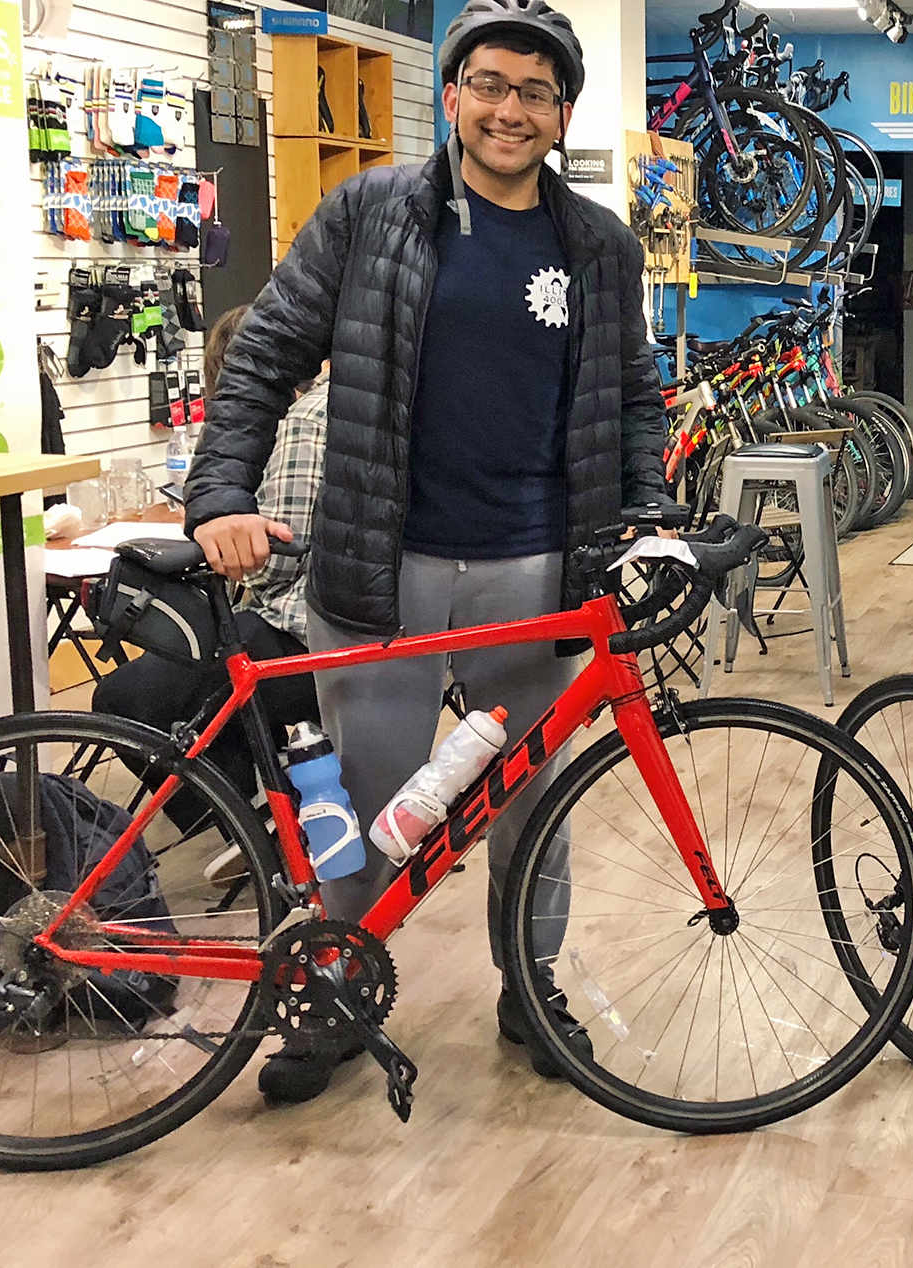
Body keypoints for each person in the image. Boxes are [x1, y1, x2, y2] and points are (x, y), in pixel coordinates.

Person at [182, 0, 671, 1105]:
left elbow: (634, 395)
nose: (509, 109)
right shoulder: (367, 214)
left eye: (535, 92)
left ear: (562, 114)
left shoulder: (598, 245)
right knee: (358, 802)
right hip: (378, 566)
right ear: (451, 95)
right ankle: (341, 994)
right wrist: (219, 490)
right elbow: (264, 353)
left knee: (533, 801)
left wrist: (646, 514)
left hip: (538, 572)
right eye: (489, 84)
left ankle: (531, 994)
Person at [91, 306, 324, 836]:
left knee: (125, 697)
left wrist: (220, 537)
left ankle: (238, 829)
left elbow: (268, 568)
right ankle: (258, 820)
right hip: (363, 635)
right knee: (197, 675)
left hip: (303, 638)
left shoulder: (302, 423)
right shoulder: (335, 409)